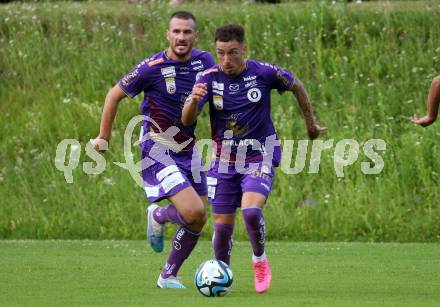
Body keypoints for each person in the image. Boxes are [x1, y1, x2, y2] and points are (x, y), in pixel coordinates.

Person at [181, 24, 326, 293]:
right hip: (224, 162)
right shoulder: (207, 79)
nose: (226, 60)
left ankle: (259, 260)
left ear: (244, 49)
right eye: (221, 53)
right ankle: (221, 276)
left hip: (260, 154)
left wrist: (311, 125)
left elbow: (297, 86)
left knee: (250, 211)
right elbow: (187, 120)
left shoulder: (263, 72)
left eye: (233, 52)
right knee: (222, 230)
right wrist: (191, 100)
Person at [91, 11, 215, 289]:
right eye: (177, 32)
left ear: (196, 36)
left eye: (187, 32)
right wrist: (103, 137)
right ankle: (159, 215)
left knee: (198, 218)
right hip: (158, 148)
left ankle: (167, 272)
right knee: (193, 211)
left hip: (188, 147)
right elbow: (114, 94)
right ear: (168, 35)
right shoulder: (151, 67)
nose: (181, 37)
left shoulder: (205, 62)